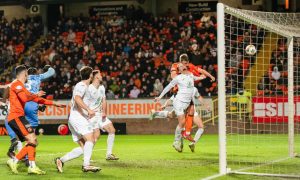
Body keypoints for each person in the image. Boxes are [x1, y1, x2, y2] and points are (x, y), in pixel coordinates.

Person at [6, 65, 65, 175]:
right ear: (25, 74)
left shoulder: (22, 86)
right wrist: (35, 94)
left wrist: (54, 104)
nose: (29, 76)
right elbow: (26, 98)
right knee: (32, 140)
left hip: (20, 117)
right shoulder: (16, 84)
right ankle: (22, 163)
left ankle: (22, 163)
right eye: (27, 74)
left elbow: (36, 98)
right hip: (16, 117)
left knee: (33, 141)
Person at [55, 66, 100, 173]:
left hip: (75, 117)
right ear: (90, 76)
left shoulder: (83, 86)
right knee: (91, 139)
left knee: (85, 147)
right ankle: (86, 165)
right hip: (77, 118)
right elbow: (77, 98)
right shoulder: (82, 85)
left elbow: (72, 102)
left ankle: (61, 160)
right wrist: (88, 110)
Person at [154, 63, 204, 152]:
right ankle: (176, 142)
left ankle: (183, 143)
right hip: (179, 102)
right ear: (179, 70)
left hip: (187, 105)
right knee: (182, 122)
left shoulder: (191, 76)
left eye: (182, 65)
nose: (182, 65)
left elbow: (196, 78)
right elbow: (168, 87)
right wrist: (160, 97)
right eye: (180, 66)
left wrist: (202, 77)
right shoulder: (178, 78)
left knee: (178, 120)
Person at [170, 54, 215, 141]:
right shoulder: (175, 66)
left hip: (188, 94)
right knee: (173, 115)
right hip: (179, 93)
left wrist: (210, 76)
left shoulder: (190, 67)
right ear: (180, 62)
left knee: (191, 111)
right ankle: (184, 134)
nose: (185, 65)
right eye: (183, 64)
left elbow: (200, 70)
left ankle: (186, 133)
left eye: (186, 64)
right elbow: (173, 76)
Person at [84, 70, 119, 160]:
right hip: (92, 115)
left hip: (100, 115)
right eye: (99, 74)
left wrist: (104, 112)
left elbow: (103, 100)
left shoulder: (102, 87)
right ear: (96, 77)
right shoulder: (89, 88)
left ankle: (109, 154)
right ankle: (87, 157)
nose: (101, 76)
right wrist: (87, 113)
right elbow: (84, 102)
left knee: (112, 130)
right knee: (96, 136)